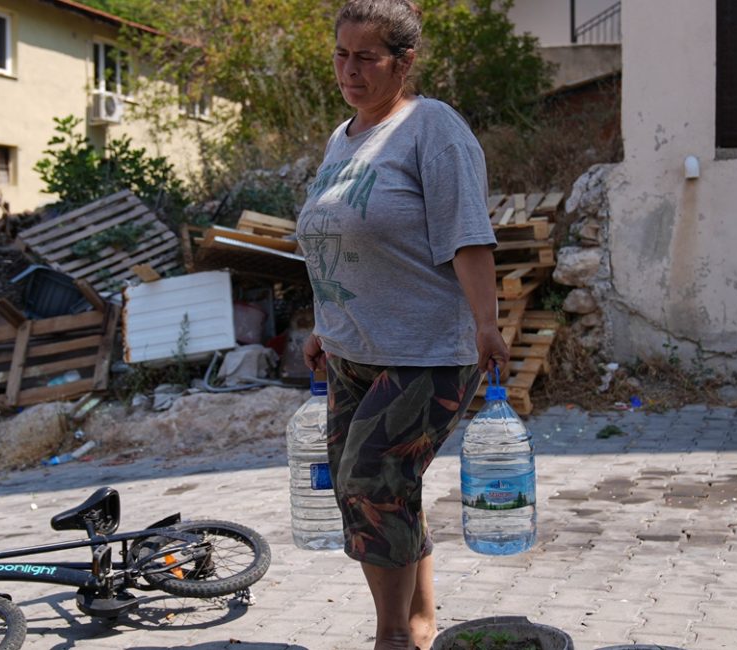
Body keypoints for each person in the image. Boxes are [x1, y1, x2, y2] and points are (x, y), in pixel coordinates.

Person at [297, 1, 510, 649]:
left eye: (367, 57)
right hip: (350, 350)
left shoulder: (432, 128)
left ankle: (391, 635)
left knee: (371, 481)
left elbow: (466, 233)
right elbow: (339, 237)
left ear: (404, 61)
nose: (350, 70)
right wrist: (320, 322)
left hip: (427, 351)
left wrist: (487, 323)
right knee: (381, 489)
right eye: (341, 54)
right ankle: (418, 628)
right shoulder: (343, 138)